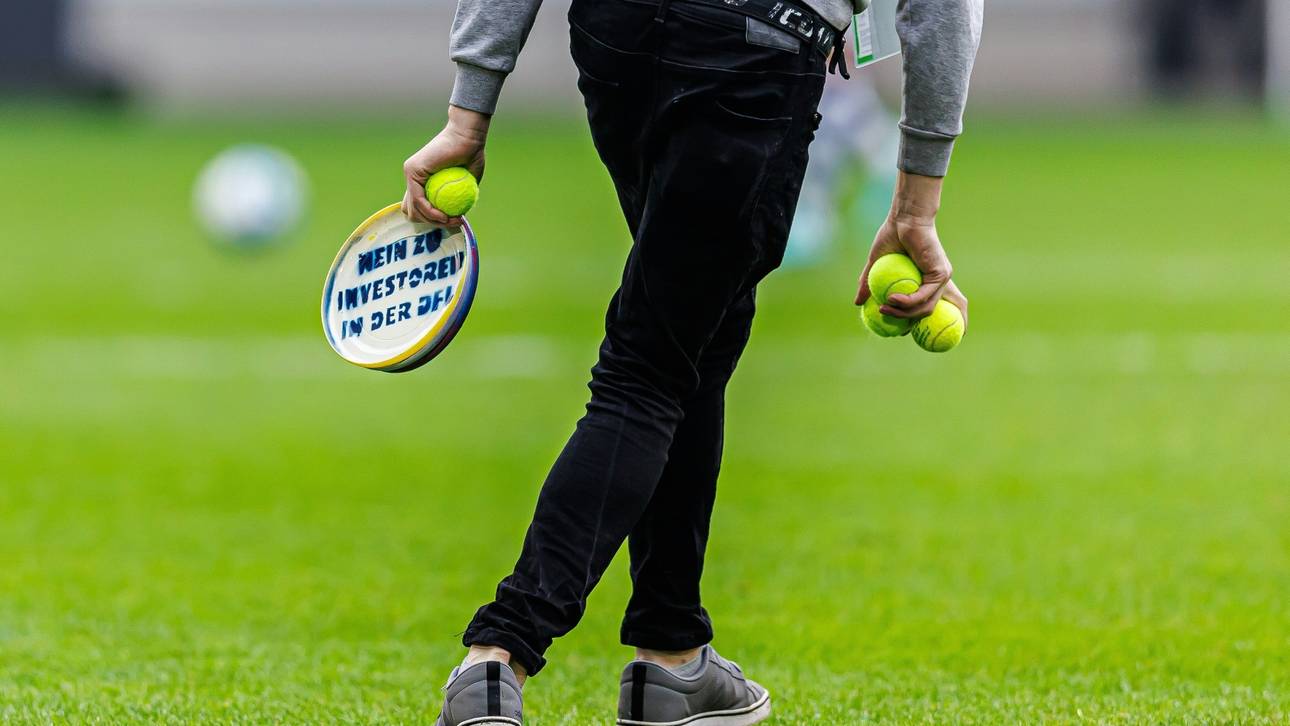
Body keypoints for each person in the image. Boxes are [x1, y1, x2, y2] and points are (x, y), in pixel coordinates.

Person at [401, 0, 980, 722]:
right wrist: (916, 207)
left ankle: (672, 652)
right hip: (753, 51)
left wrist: (469, 113)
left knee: (694, 336)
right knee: (648, 368)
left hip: (616, 40)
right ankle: (500, 652)